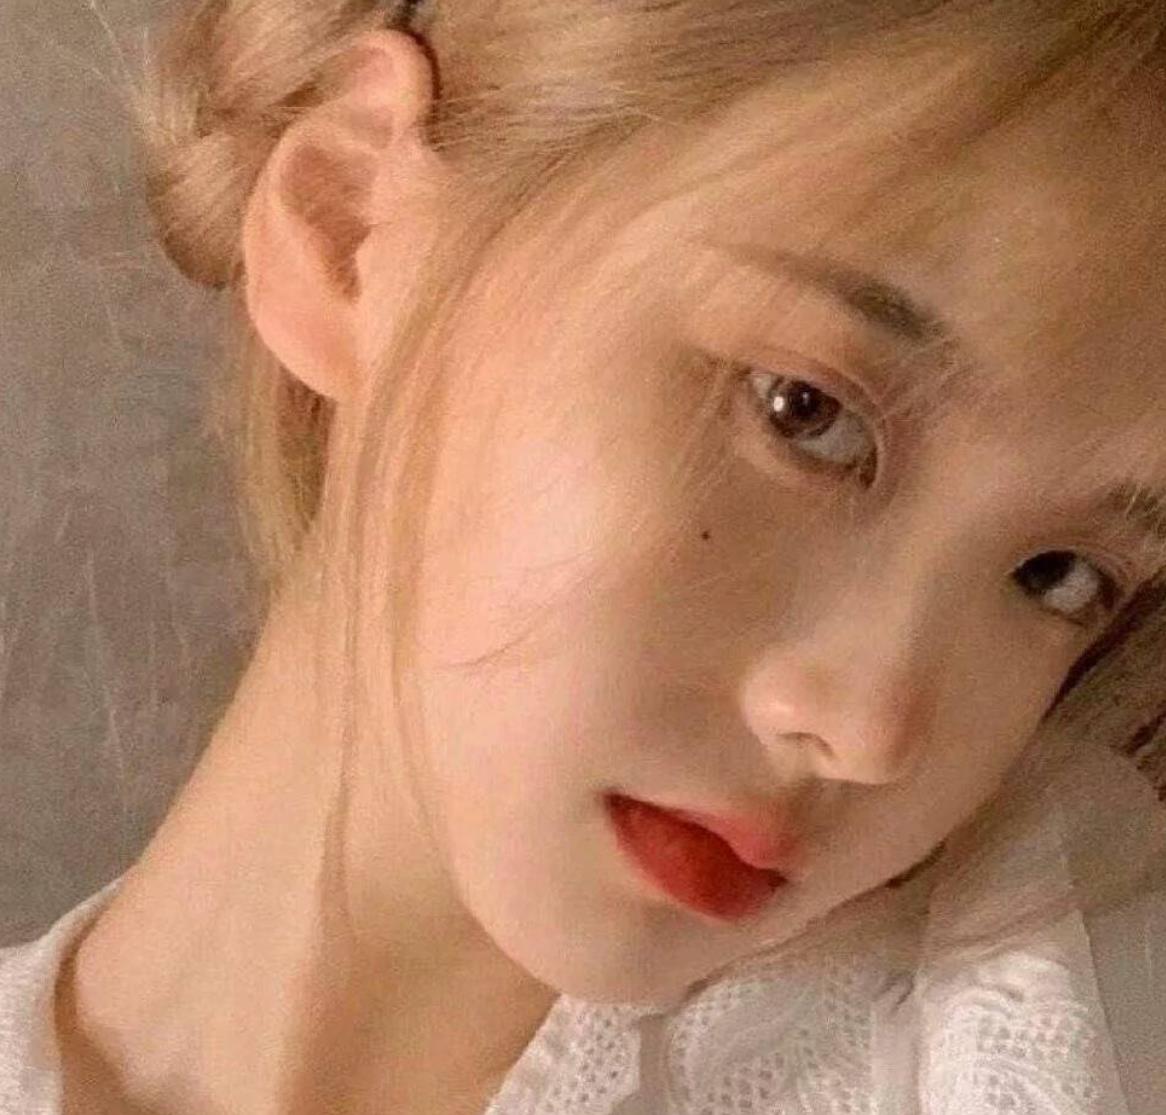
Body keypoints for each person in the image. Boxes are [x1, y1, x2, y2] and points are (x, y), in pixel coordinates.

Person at [3, 0, 1166, 1111]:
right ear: (349, 225)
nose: (867, 730)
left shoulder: (1053, 1006)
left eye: (1057, 574)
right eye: (804, 411)